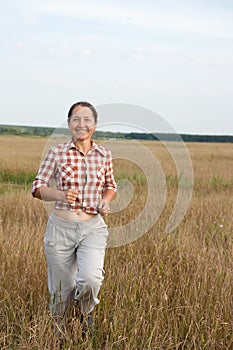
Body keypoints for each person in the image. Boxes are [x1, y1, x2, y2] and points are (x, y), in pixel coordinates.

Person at [32, 101, 117, 334]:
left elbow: (111, 186)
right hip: (60, 229)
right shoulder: (57, 153)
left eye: (87, 119)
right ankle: (58, 334)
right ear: (69, 124)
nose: (82, 124)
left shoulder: (104, 154)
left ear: (95, 125)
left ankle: (85, 314)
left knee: (90, 280)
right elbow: (37, 187)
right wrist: (59, 194)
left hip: (93, 227)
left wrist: (105, 201)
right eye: (76, 119)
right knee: (62, 290)